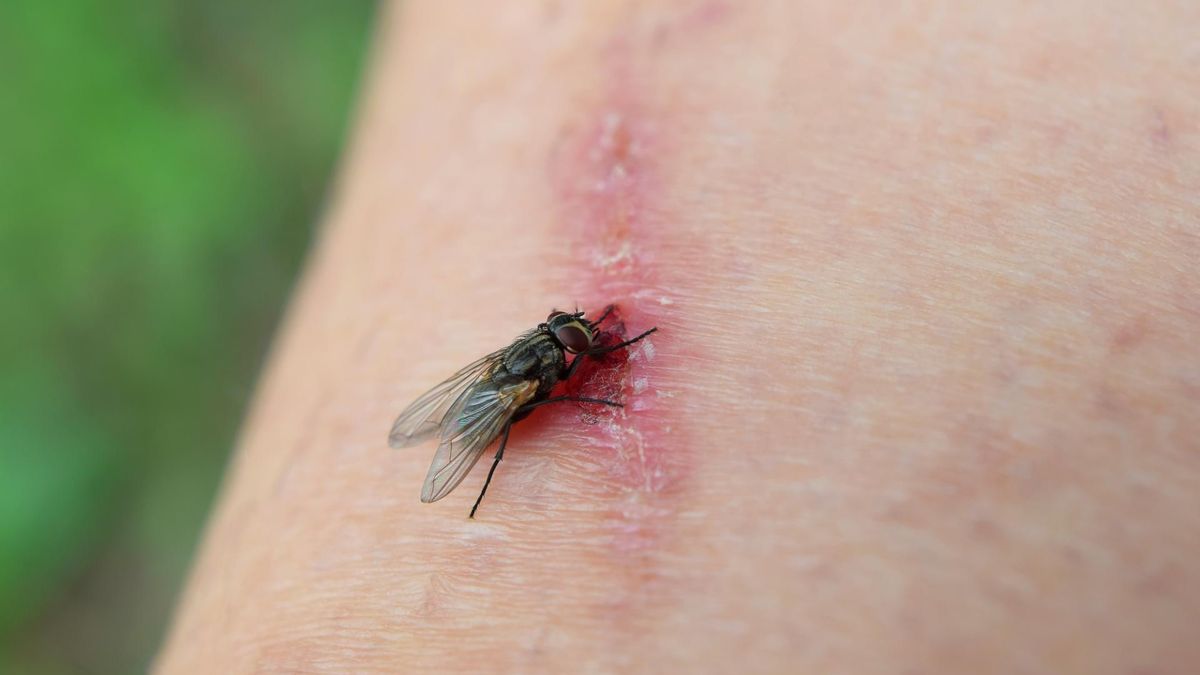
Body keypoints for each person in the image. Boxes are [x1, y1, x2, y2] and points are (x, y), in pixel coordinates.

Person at [155, 2, 1200, 672]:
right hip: (492, 399)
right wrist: (551, 400)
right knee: (503, 416)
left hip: (494, 376)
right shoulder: (539, 378)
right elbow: (522, 389)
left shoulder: (542, 348)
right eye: (570, 338)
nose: (573, 338)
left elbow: (524, 364)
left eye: (570, 335)